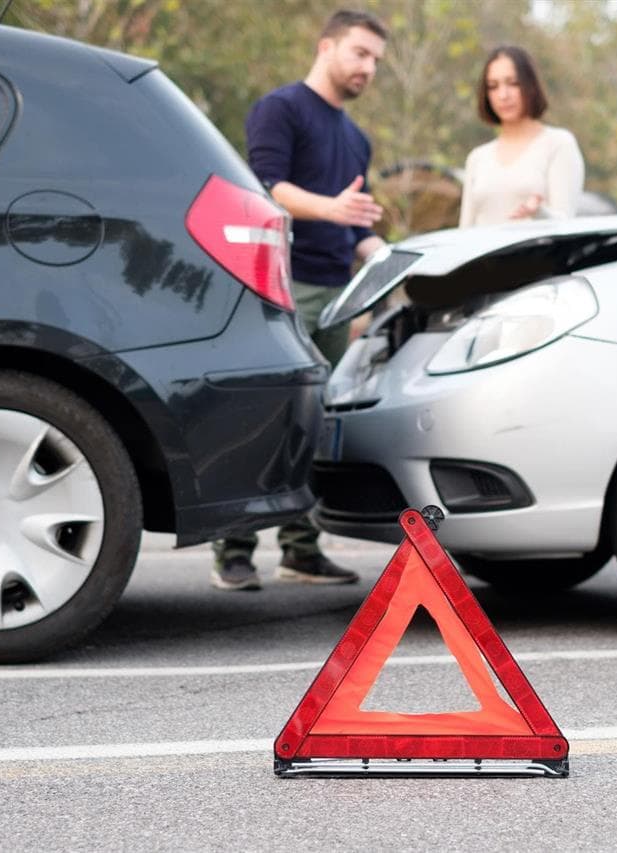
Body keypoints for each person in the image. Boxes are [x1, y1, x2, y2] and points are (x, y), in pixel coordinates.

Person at [211, 9, 389, 591]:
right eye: (360, 53)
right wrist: (331, 208)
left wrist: (381, 251)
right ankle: (233, 549)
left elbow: (354, 226)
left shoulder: (356, 137)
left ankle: (300, 549)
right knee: (264, 416)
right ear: (326, 47)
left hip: (336, 296)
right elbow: (265, 190)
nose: (368, 68)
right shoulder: (280, 109)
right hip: (277, 287)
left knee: (315, 424)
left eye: (376, 61)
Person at [459, 45, 584, 227]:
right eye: (493, 86)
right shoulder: (477, 158)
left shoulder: (558, 144)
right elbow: (465, 232)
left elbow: (566, 225)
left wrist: (538, 213)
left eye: (513, 83)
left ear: (530, 86)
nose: (503, 95)